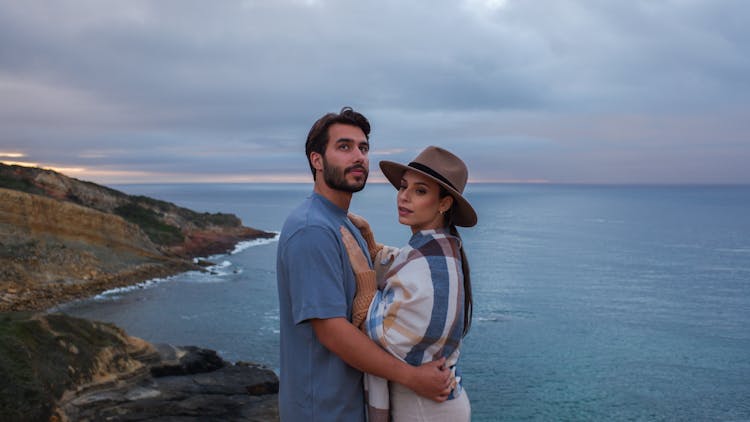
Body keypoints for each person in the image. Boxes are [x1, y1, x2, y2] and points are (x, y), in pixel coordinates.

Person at [276, 108, 452, 421]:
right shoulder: (312, 229)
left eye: (363, 148)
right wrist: (412, 377)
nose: (358, 156)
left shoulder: (343, 224)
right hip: (323, 412)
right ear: (317, 160)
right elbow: (332, 331)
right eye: (344, 147)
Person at [340, 146, 477, 421]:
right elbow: (398, 263)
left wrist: (365, 280)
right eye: (403, 187)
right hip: (427, 404)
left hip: (426, 409)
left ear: (444, 204)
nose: (404, 197)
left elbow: (379, 339)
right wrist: (367, 240)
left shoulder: (433, 267)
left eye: (420, 191)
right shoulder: (430, 251)